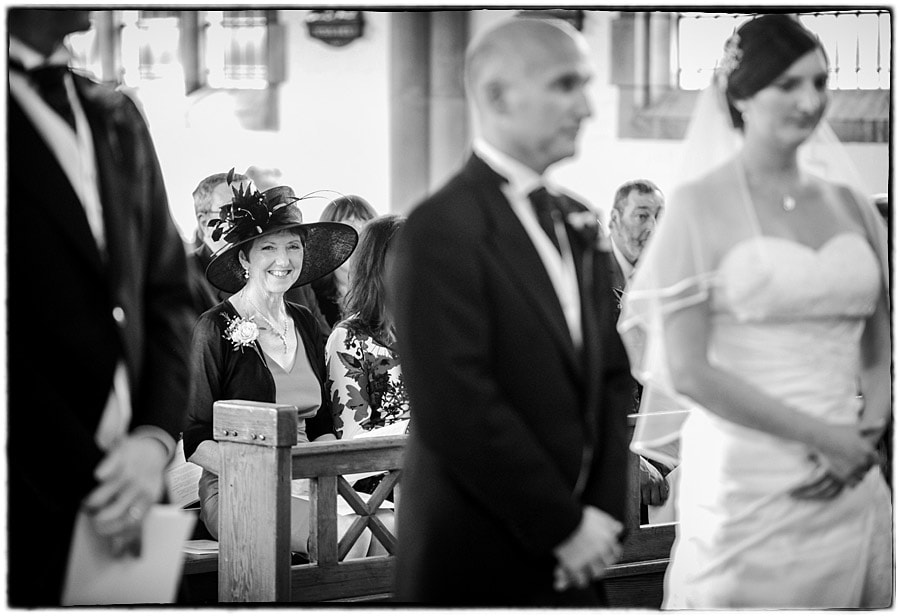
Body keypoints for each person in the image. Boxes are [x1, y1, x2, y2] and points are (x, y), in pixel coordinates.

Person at [618, 14, 891, 608]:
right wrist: (822, 438)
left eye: (819, 82)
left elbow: (878, 342)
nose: (809, 101)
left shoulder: (852, 206)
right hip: (749, 473)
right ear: (740, 95)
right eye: (787, 84)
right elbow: (688, 370)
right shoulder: (699, 206)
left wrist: (865, 432)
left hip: (849, 467)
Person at [390, 17, 633, 606]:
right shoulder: (439, 228)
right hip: (477, 549)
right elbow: (456, 403)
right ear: (498, 96)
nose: (587, 107)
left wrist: (601, 517)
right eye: (566, 85)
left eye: (586, 85)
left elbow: (609, 376)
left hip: (580, 549)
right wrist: (562, 526)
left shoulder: (577, 219)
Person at [8, 9, 194, 606]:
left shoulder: (115, 115)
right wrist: (87, 466)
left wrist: (154, 438)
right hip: (25, 488)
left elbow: (168, 291)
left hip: (137, 481)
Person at [181, 179, 388, 558]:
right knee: (347, 537)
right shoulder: (213, 327)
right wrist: (273, 471)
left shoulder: (304, 321)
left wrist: (327, 477)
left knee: (389, 529)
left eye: (293, 247)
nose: (284, 260)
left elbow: (322, 427)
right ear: (244, 259)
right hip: (238, 484)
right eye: (269, 248)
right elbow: (195, 441)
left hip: (310, 478)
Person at [188, 171, 330, 334]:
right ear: (205, 223)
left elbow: (322, 340)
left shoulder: (288, 269)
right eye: (236, 212)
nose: (250, 218)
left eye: (256, 207)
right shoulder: (186, 279)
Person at [607, 179, 671, 518]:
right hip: (615, 456)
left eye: (660, 216)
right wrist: (629, 460)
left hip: (660, 446)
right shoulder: (591, 278)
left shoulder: (662, 281)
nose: (653, 228)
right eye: (642, 215)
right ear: (614, 219)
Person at [325, 214, 409, 442]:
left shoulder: (431, 331)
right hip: (385, 462)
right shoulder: (348, 338)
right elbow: (352, 437)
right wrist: (417, 430)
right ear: (374, 265)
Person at [312, 194, 378, 327]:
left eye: (366, 230)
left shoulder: (385, 292)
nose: (359, 239)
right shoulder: (311, 292)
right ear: (326, 240)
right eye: (350, 230)